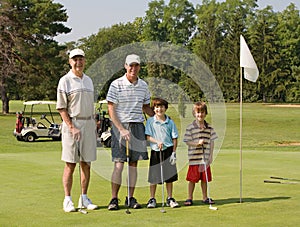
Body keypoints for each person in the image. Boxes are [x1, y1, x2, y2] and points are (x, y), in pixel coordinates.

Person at [106, 54, 154, 210]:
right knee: (119, 164)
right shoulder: (116, 84)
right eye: (131, 65)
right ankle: (114, 199)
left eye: (136, 65)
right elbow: (111, 108)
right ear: (125, 66)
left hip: (138, 125)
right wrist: (121, 129)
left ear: (139, 67)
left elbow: (146, 107)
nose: (134, 68)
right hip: (120, 125)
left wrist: (160, 119)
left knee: (133, 165)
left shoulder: (144, 85)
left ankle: (130, 198)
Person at [56, 48, 98, 212]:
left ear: (84, 61)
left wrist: (93, 123)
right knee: (70, 164)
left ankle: (84, 198)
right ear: (70, 61)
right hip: (72, 124)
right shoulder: (65, 80)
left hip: (88, 124)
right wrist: (72, 127)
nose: (78, 62)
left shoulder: (88, 80)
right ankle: (68, 200)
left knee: (86, 164)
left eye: (81, 59)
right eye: (75, 59)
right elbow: (61, 108)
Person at [145, 98, 179, 208]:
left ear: (165, 108)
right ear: (154, 109)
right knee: (154, 176)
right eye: (157, 107)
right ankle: (152, 198)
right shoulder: (150, 121)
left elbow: (174, 138)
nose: (159, 109)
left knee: (169, 176)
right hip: (156, 150)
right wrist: (157, 141)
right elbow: (148, 136)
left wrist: (174, 152)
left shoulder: (170, 122)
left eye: (162, 107)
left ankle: (170, 198)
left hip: (168, 151)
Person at [183, 101, 218, 206]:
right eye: (198, 112)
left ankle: (205, 197)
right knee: (192, 180)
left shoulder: (209, 128)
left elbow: (212, 142)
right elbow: (187, 141)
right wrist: (197, 143)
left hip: (205, 158)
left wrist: (211, 156)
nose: (200, 114)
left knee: (204, 179)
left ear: (205, 113)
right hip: (194, 159)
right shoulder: (190, 127)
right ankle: (189, 198)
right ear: (194, 114)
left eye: (202, 112)